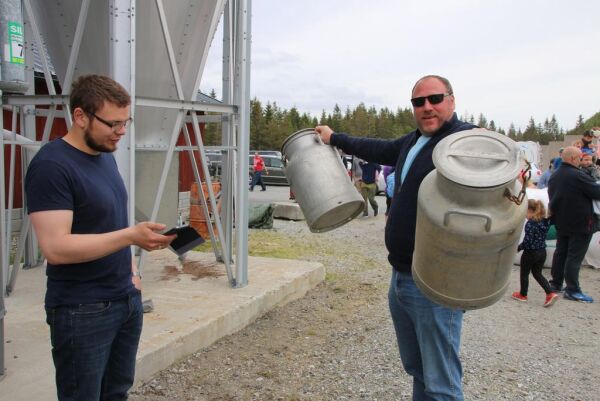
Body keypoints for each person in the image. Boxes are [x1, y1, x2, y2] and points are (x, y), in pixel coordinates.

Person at [316, 75, 476, 401]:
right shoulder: (413, 141)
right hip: (401, 275)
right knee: (418, 369)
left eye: (435, 99)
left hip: (436, 282)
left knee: (442, 384)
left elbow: (490, 161)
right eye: (419, 102)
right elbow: (378, 147)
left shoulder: (462, 141)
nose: (427, 107)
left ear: (452, 100)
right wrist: (335, 138)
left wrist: (484, 142)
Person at [24, 74, 176, 401]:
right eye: (113, 123)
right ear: (80, 117)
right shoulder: (52, 166)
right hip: (82, 310)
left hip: (124, 300)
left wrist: (132, 273)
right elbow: (56, 248)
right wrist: (130, 237)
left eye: (126, 122)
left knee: (116, 393)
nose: (121, 132)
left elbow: (109, 222)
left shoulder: (104, 156)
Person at [548, 146, 600, 303]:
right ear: (572, 159)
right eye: (579, 158)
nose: (581, 161)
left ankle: (556, 283)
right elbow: (597, 192)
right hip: (581, 223)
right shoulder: (577, 176)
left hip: (562, 221)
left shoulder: (555, 175)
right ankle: (572, 289)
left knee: (561, 253)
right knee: (574, 257)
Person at [511, 199, 559, 307]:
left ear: (530, 210)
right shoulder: (545, 221)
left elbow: (527, 241)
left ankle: (523, 295)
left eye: (525, 212)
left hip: (530, 253)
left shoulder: (531, 223)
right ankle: (550, 293)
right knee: (537, 274)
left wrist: (518, 248)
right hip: (542, 252)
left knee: (524, 273)